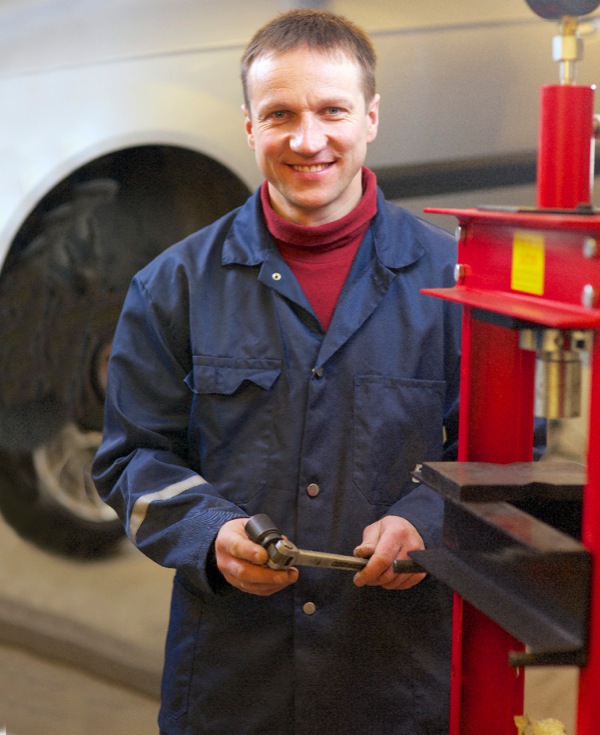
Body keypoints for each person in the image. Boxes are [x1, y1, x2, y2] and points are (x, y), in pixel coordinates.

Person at [92, 9, 461, 735]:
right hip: (231, 688)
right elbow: (130, 461)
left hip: (396, 683)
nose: (308, 139)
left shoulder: (455, 285)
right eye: (280, 114)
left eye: (332, 111)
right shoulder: (173, 287)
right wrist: (210, 532)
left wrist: (426, 520)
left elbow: (508, 458)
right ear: (250, 126)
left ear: (371, 116)